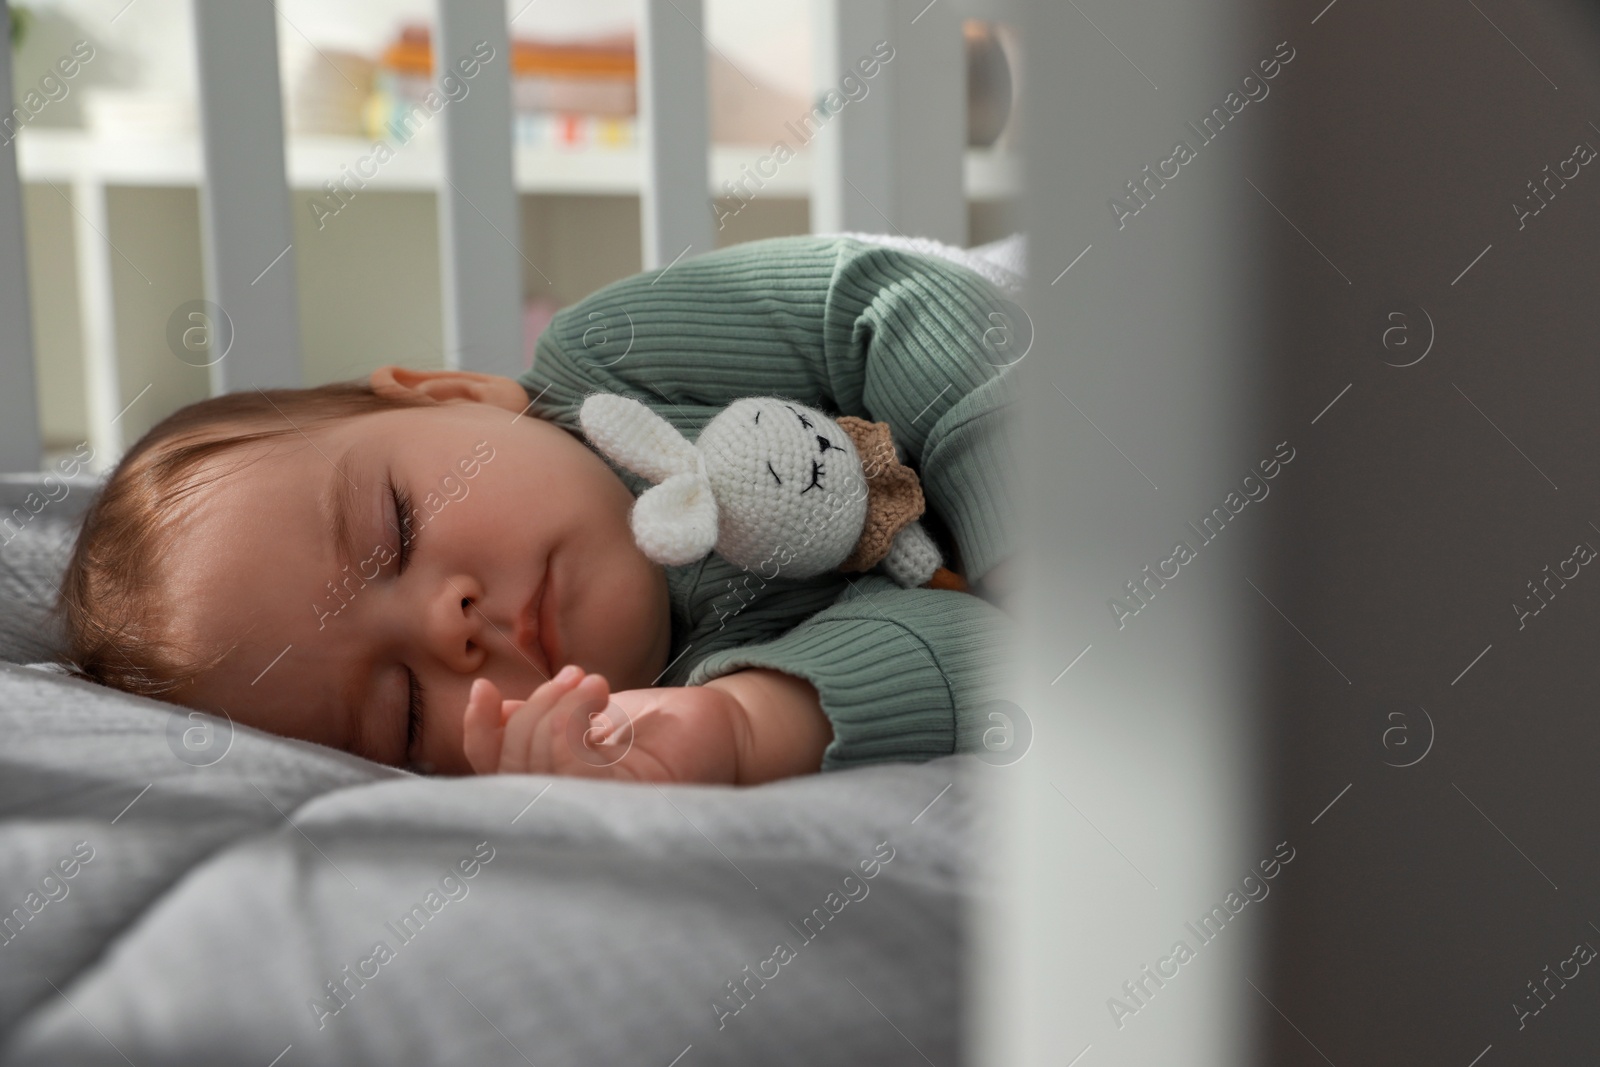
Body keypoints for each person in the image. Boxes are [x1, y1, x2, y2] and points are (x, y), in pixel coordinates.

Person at [55, 234, 1020, 783]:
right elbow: (988, 647)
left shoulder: (614, 357)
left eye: (395, 531)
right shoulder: (657, 714)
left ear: (450, 395)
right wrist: (747, 724)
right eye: (402, 712)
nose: (449, 624)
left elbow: (894, 300)